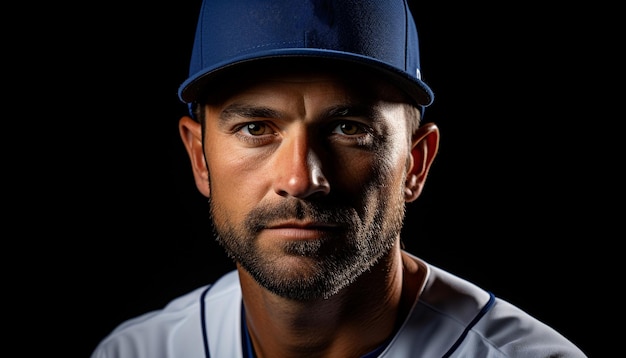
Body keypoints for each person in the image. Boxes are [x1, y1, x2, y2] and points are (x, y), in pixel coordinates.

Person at [91, 0, 587, 357]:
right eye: (256, 128)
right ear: (200, 158)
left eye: (350, 129)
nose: (301, 178)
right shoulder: (137, 351)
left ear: (416, 162)